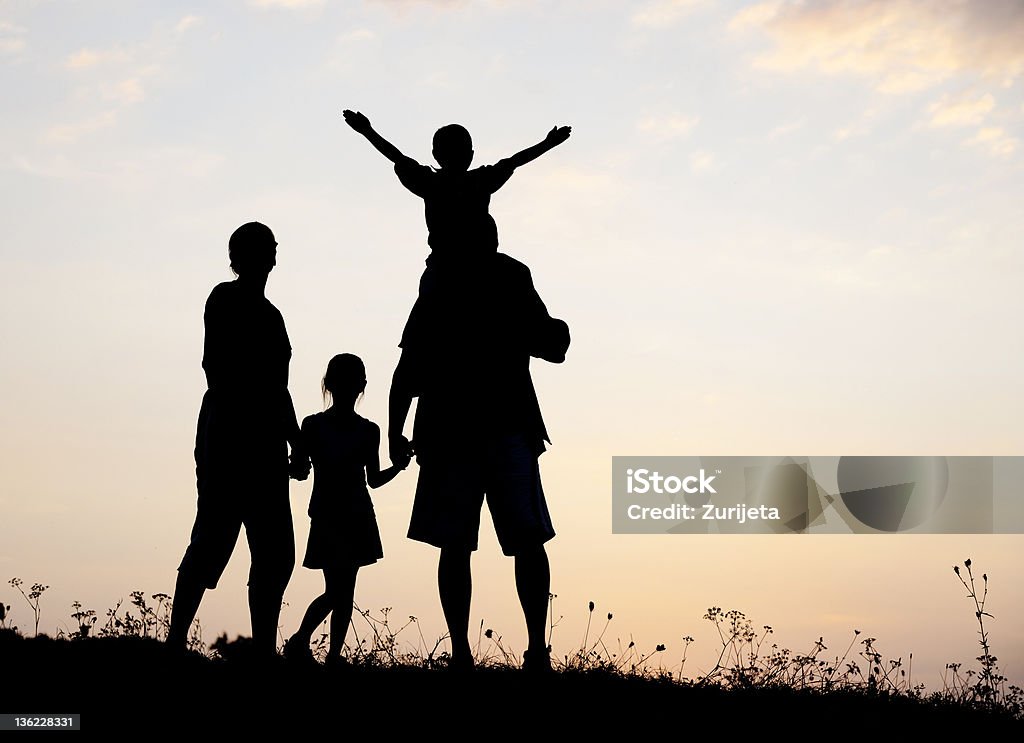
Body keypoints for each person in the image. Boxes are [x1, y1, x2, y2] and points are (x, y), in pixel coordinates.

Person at [388, 254, 570, 673]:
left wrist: (396, 431)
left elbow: (407, 369)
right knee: (522, 541)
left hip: (454, 431)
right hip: (499, 427)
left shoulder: (440, 280)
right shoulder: (506, 275)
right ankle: (533, 651)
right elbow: (552, 345)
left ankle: (464, 654)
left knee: (459, 546)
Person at [167, 222, 310, 657]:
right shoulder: (223, 298)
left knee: (275, 553)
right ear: (239, 256)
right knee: (212, 539)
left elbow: (279, 387)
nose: (268, 255)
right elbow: (219, 370)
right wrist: (278, 429)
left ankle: (264, 649)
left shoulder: (273, 317)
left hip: (264, 443)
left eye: (270, 248)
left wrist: (295, 441)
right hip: (229, 436)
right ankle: (174, 643)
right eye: (259, 248)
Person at [341, 109, 571, 349]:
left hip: (469, 263)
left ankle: (543, 336)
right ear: (467, 155)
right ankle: (542, 334)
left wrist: (367, 131)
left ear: (437, 154)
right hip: (454, 265)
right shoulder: (468, 180)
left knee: (517, 274)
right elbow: (514, 161)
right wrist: (547, 144)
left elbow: (397, 157)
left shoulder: (445, 181)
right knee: (516, 274)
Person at [284, 354, 409, 663]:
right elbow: (376, 480)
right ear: (362, 386)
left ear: (328, 384)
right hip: (348, 515)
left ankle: (318, 649)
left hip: (339, 514)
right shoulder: (366, 430)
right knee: (342, 591)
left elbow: (298, 468)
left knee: (338, 591)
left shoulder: (314, 426)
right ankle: (311, 646)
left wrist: (296, 465)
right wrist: (400, 467)